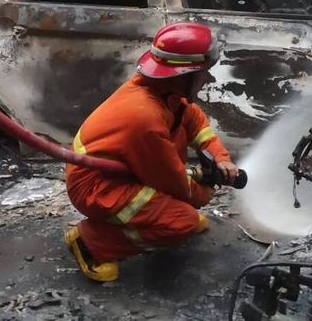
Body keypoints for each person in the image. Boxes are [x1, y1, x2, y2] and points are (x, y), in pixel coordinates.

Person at [64, 22, 240, 282]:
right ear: (183, 75)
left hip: (124, 174)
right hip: (97, 186)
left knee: (180, 136)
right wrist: (200, 192)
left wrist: (221, 158)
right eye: (204, 73)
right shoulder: (144, 116)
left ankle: (170, 213)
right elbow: (172, 180)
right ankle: (91, 243)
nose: (208, 79)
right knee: (182, 222)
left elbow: (197, 125)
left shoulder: (166, 94)